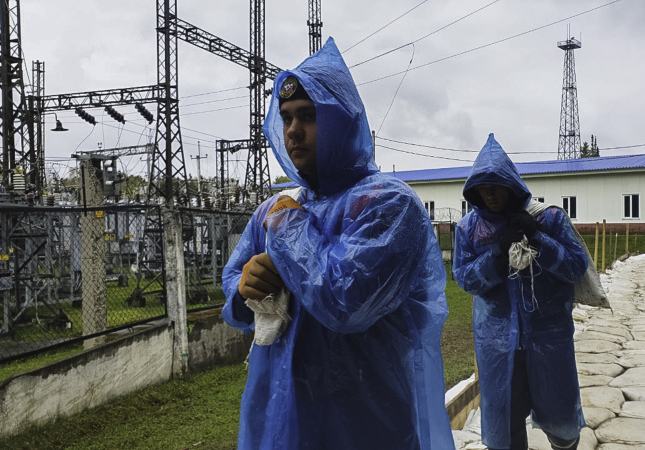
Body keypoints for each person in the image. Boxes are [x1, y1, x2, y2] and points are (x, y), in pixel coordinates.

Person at [221, 37, 454, 450]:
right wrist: (245, 290)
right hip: (281, 414)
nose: (293, 130)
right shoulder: (273, 209)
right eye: (286, 117)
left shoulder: (388, 204)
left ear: (342, 121)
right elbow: (234, 283)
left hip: (367, 420)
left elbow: (344, 301)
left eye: (308, 116)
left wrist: (289, 224)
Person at [452, 134, 588, 450]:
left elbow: (575, 267)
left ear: (511, 183)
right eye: (482, 187)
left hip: (549, 339)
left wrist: (538, 239)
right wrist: (498, 255)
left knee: (562, 420)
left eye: (496, 185)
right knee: (508, 424)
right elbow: (465, 279)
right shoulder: (468, 229)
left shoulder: (548, 218)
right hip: (499, 346)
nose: (490, 193)